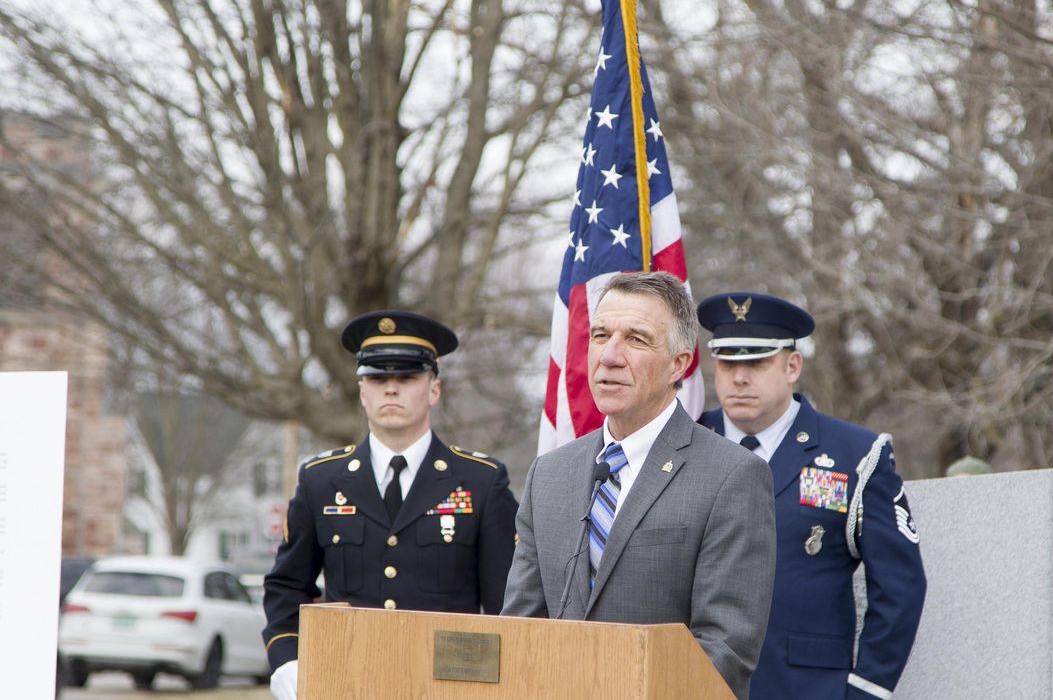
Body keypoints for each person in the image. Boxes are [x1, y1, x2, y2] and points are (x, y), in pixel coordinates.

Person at [502, 272, 776, 699]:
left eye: (636, 339)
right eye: (600, 334)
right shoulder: (549, 474)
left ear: (679, 364)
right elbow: (520, 630)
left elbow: (725, 652)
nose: (609, 356)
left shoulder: (731, 476)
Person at [262, 310, 519, 700]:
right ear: (362, 390)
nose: (391, 389)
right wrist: (287, 661)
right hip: (346, 680)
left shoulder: (482, 482)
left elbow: (508, 604)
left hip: (447, 686)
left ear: (434, 388)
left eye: (407, 377)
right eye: (378, 377)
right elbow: (287, 585)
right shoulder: (320, 480)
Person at [697, 292, 927, 700]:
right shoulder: (687, 444)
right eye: (728, 362)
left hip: (806, 687)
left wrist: (866, 690)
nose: (739, 377)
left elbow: (900, 586)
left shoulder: (855, 454)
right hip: (694, 682)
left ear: (792, 366)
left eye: (756, 362)